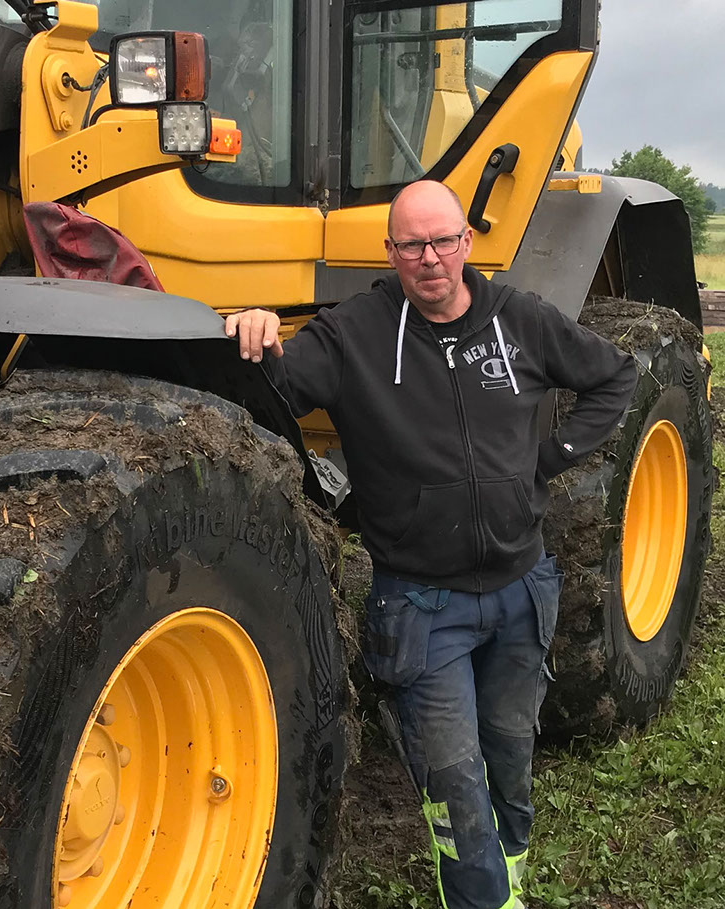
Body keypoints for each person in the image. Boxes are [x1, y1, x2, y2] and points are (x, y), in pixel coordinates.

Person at [225, 180, 636, 909]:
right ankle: (480, 895)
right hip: (420, 601)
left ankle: (507, 864)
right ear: (390, 252)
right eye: (412, 244)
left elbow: (613, 375)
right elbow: (274, 397)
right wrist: (253, 341)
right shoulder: (353, 332)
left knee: (510, 749)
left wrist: (551, 457)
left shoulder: (522, 321)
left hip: (522, 587)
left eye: (443, 240)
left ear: (467, 243)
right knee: (450, 774)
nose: (430, 258)